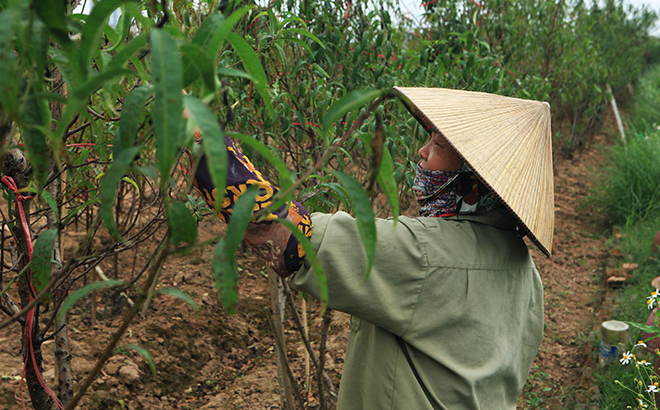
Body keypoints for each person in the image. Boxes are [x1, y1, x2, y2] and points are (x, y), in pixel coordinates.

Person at [191, 86, 552, 409]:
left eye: (439, 145)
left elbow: (289, 237)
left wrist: (202, 142)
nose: (423, 152)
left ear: (475, 178)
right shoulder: (527, 275)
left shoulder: (427, 255)